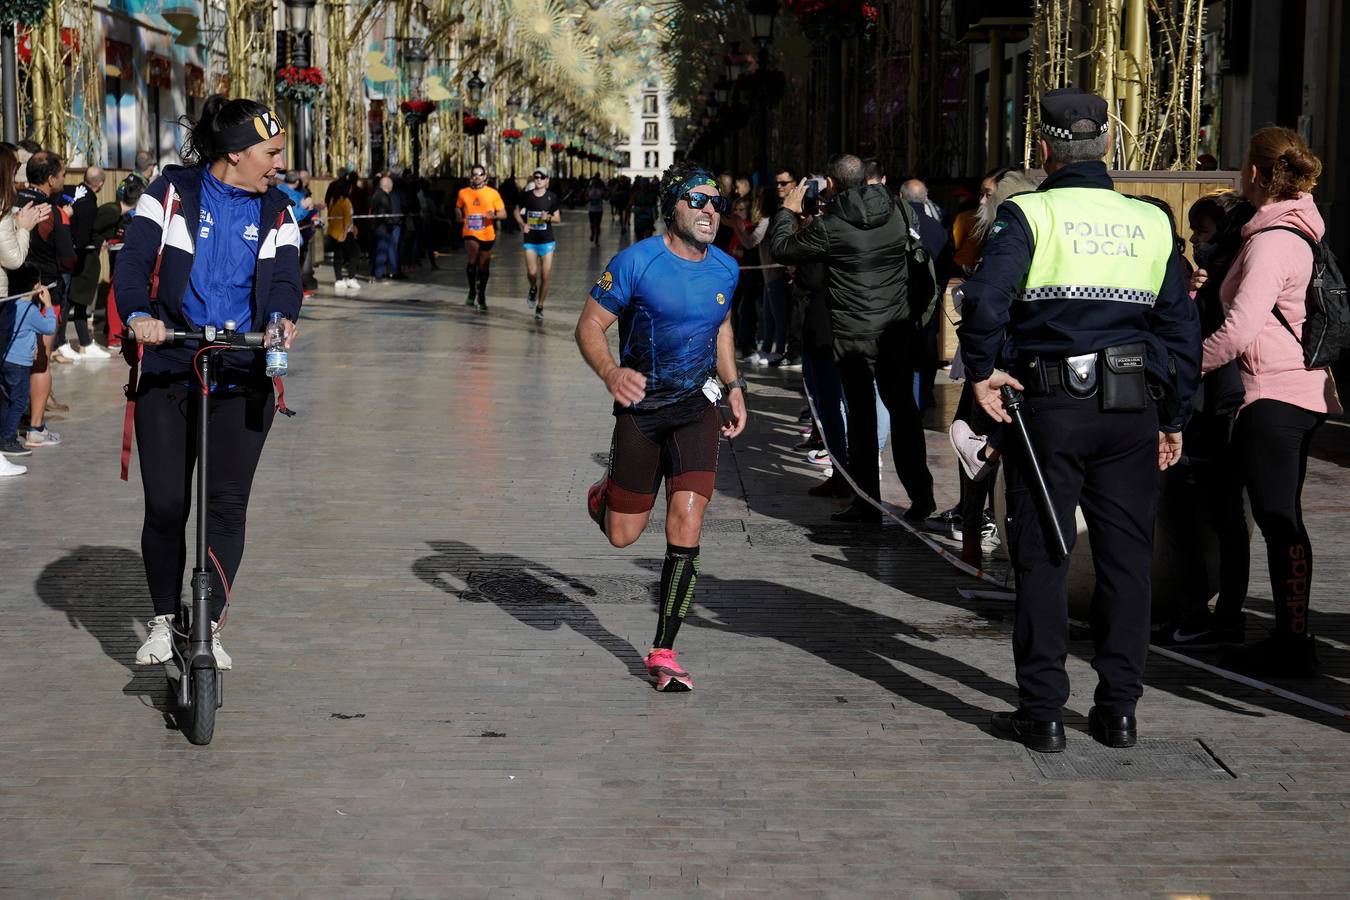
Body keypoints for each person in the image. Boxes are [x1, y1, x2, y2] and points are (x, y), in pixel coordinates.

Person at [957, 88, 1200, 752]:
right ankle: (1118, 710)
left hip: (1052, 407)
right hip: (1132, 408)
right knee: (1127, 560)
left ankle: (1043, 713)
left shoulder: (1028, 214)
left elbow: (984, 299)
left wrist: (979, 372)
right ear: (1109, 148)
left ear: (1044, 150)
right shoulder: (1150, 221)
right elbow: (1182, 329)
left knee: (1044, 557)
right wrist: (1174, 417)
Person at [113, 95, 301, 670]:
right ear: (235, 152)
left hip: (243, 373)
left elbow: (287, 280)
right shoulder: (169, 193)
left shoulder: (279, 210)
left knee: (225, 506)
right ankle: (164, 619)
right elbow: (132, 259)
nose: (277, 165)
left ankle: (208, 626)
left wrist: (282, 321)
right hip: (171, 365)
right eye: (269, 154)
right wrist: (139, 314)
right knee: (167, 504)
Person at [575, 160, 747, 692]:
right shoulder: (635, 262)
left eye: (716, 201)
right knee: (625, 536)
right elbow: (589, 325)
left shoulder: (726, 267)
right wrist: (611, 372)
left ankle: (663, 649)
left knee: (687, 520)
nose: (710, 210)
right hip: (643, 412)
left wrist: (733, 385)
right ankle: (605, 496)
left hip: (696, 407)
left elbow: (720, 322)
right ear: (671, 207)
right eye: (697, 200)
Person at [1199, 126, 1340, 677]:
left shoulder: (1272, 238)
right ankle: (1287, 636)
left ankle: (1292, 643)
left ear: (1255, 174)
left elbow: (1238, 331)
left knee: (1279, 520)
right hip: (1301, 388)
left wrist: (1184, 364)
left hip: (1273, 393)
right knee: (1280, 517)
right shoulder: (1297, 229)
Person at [770, 153, 937, 525]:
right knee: (906, 415)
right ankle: (922, 496)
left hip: (853, 337)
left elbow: (782, 249)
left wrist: (786, 210)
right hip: (895, 330)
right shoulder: (898, 211)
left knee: (861, 418)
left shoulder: (829, 225)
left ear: (830, 183)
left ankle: (866, 501)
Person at [12, 151, 75, 447]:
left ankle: (13, 420)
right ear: (50, 179)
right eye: (62, 174)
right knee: (40, 361)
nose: (64, 179)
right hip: (43, 291)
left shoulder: (10, 200)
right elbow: (67, 257)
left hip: (9, 291)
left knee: (8, 357)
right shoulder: (51, 211)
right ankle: (35, 427)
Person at [58, 166, 113, 361]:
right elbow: (82, 239)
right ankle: (60, 343)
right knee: (67, 301)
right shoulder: (89, 205)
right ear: (100, 184)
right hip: (73, 258)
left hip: (60, 251)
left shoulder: (67, 190)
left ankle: (84, 342)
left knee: (74, 301)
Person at [1, 283, 55, 464]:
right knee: (19, 403)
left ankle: (4, 436)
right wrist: (48, 305)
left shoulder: (10, 305)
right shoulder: (29, 310)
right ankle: (8, 440)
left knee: (8, 400)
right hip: (20, 364)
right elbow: (49, 327)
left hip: (7, 361)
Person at [514, 168, 561, 321]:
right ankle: (533, 288)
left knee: (545, 276)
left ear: (547, 180)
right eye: (536, 177)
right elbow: (516, 212)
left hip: (547, 241)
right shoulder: (526, 196)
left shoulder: (552, 197)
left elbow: (557, 219)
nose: (539, 179)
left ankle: (540, 306)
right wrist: (523, 224)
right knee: (532, 272)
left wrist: (547, 217)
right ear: (533, 179)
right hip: (531, 240)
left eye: (542, 177)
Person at [455, 165, 505, 309]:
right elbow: (458, 207)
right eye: (474, 174)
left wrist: (494, 216)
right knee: (473, 258)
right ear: (471, 177)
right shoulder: (463, 192)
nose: (477, 177)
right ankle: (472, 291)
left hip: (488, 233)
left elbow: (503, 214)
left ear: (485, 177)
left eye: (480, 174)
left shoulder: (493, 193)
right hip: (470, 231)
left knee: (483, 266)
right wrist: (458, 214)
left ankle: (481, 294)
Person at [325, 178, 360, 294]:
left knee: (338, 256)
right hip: (345, 233)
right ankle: (351, 278)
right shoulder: (346, 201)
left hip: (333, 232)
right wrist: (346, 233)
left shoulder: (332, 200)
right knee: (355, 254)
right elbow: (348, 219)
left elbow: (330, 215)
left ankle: (339, 279)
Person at [369, 175, 402, 281]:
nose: (392, 186)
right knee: (381, 252)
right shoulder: (384, 197)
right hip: (383, 228)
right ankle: (378, 275)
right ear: (387, 185)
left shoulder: (376, 194)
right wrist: (390, 223)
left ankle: (374, 274)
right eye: (391, 184)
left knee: (377, 251)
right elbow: (382, 214)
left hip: (377, 228)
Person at [585, 175, 606, 245]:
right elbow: (586, 197)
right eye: (594, 182)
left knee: (598, 225)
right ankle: (592, 233)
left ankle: (596, 239)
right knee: (592, 224)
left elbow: (605, 196)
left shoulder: (601, 189)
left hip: (599, 210)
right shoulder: (589, 189)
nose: (595, 183)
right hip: (592, 210)